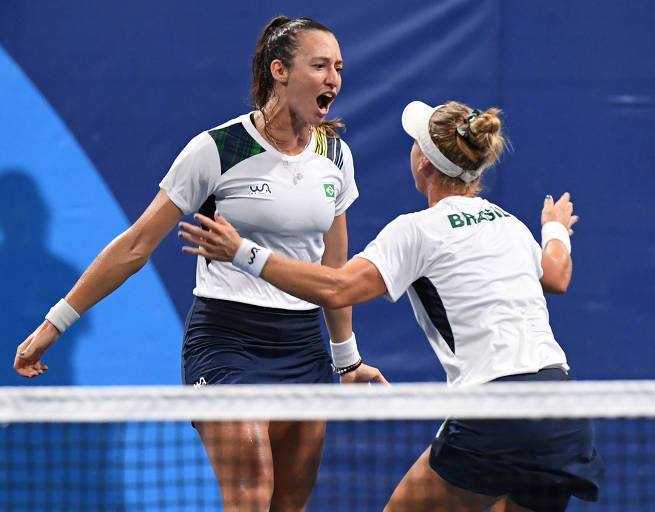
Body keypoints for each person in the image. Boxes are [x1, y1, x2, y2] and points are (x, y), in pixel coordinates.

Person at [14, 16, 385, 512]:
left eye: (338, 67)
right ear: (279, 70)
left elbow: (333, 269)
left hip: (302, 345)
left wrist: (348, 359)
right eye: (319, 66)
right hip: (227, 340)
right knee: (252, 493)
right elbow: (135, 245)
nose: (333, 79)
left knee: (289, 505)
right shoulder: (218, 149)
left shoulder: (335, 155)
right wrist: (53, 323)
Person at [178, 99, 605, 511]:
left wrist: (243, 253)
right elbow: (556, 275)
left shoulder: (418, 230)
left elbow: (336, 288)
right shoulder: (509, 225)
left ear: (423, 162)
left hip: (493, 416)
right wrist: (554, 229)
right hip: (562, 418)